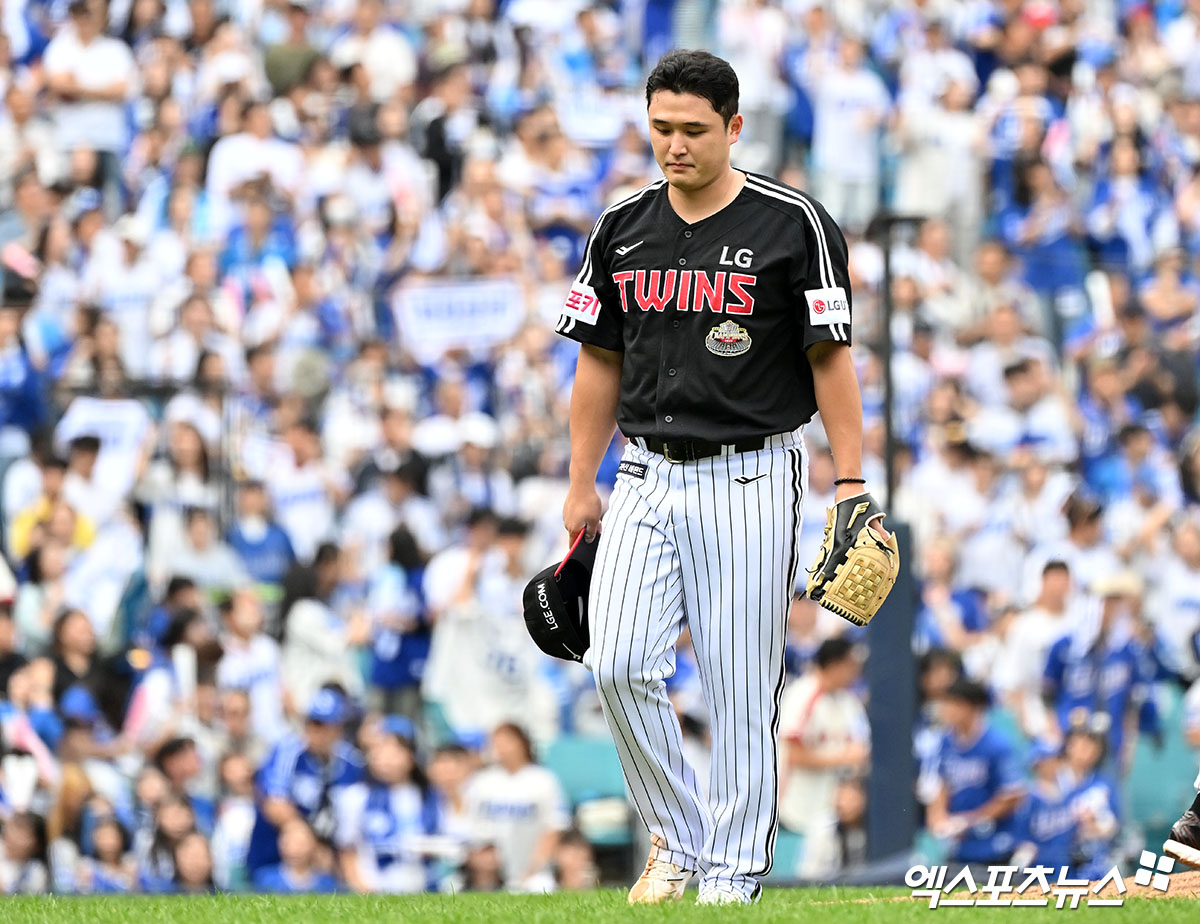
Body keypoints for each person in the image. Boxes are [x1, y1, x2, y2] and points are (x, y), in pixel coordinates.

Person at [557, 49, 885, 904]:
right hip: (644, 474)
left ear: (733, 128)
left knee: (741, 687)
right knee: (618, 660)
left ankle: (730, 878)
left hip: (749, 474)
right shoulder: (621, 225)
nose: (674, 145)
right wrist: (578, 481)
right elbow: (597, 361)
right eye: (661, 127)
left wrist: (850, 482)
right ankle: (678, 837)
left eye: (693, 130)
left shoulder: (793, 223)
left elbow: (832, 359)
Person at [245, 687, 365, 877]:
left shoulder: (352, 762)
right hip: (277, 850)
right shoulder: (288, 751)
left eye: (322, 725)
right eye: (311, 722)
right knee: (294, 833)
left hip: (330, 853)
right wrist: (313, 847)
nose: (314, 730)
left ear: (338, 728)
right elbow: (275, 804)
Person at [777, 638, 870, 878]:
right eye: (851, 665)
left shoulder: (849, 701)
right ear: (834, 665)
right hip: (797, 799)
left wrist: (852, 786)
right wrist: (841, 758)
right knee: (809, 873)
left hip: (833, 797)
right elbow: (793, 755)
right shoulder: (802, 694)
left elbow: (860, 753)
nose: (855, 671)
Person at [925, 678, 1023, 869]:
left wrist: (968, 821)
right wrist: (938, 818)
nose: (947, 710)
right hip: (959, 843)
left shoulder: (997, 744)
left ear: (973, 707)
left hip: (994, 843)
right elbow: (941, 783)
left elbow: (1012, 795)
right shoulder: (946, 741)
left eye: (955, 704)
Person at [464, 723, 568, 892]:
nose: (501, 748)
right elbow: (472, 828)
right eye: (496, 743)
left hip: (534, 871)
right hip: (490, 873)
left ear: (522, 743)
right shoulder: (481, 781)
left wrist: (535, 865)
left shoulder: (543, 780)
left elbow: (555, 826)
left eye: (507, 741)